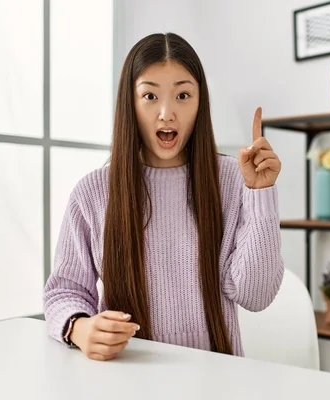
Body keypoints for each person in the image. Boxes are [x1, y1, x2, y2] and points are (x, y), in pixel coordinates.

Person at [43, 32, 284, 361]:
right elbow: (64, 290)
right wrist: (80, 328)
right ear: (130, 103)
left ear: (201, 104)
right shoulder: (93, 191)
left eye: (183, 95)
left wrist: (260, 193)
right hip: (127, 377)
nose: (167, 113)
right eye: (150, 96)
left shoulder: (233, 180)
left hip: (217, 381)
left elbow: (256, 295)